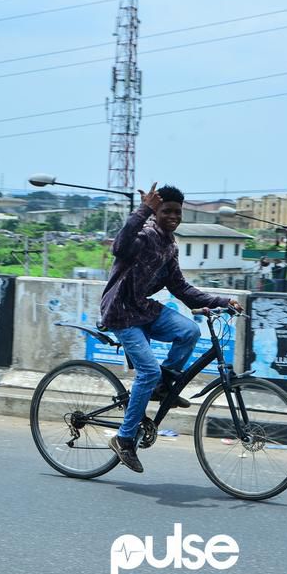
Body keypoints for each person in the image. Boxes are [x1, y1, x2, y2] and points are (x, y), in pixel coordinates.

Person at [100, 182, 242, 473]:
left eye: (177, 212)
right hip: (121, 313)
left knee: (189, 331)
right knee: (148, 371)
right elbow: (119, 247)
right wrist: (143, 210)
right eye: (166, 211)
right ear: (156, 212)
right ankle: (124, 439)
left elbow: (181, 288)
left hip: (144, 309)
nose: (173, 217)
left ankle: (162, 387)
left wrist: (222, 300)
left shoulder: (170, 245)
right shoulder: (144, 235)